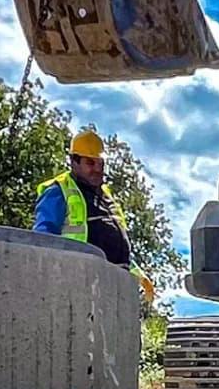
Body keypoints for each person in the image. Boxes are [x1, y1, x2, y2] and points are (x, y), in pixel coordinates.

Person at [34, 128, 153, 302]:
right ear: (74, 162)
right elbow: (43, 239)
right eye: (90, 163)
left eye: (101, 163)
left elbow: (116, 243)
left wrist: (138, 273)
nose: (98, 169)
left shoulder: (106, 197)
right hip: (78, 286)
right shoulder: (59, 192)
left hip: (112, 288)